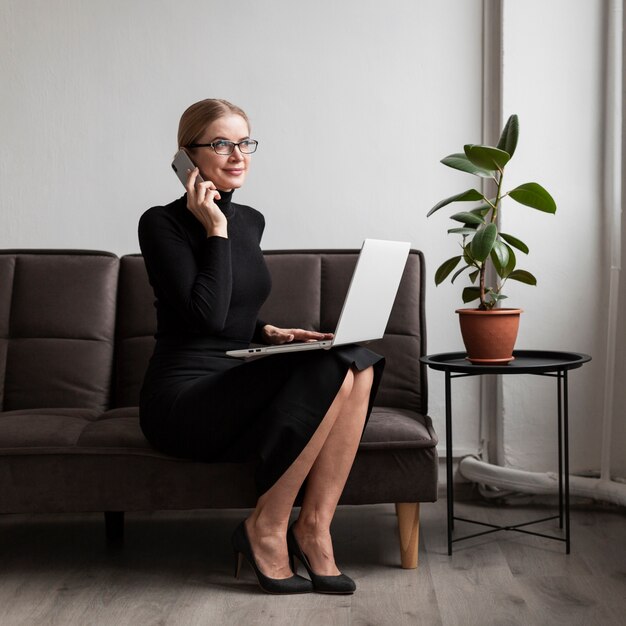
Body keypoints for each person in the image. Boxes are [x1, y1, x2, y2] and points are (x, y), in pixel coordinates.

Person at [138, 98, 384, 595]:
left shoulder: (251, 220)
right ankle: (265, 528)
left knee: (358, 360)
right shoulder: (161, 224)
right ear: (188, 156)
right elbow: (203, 315)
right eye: (221, 143)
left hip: (234, 377)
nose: (237, 155)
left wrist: (268, 331)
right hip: (182, 400)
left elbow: (232, 305)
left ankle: (313, 528)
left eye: (244, 142)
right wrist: (215, 229)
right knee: (331, 367)